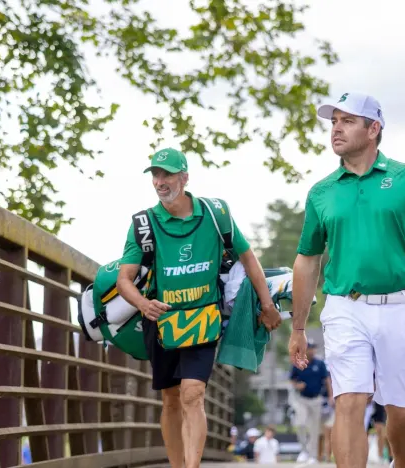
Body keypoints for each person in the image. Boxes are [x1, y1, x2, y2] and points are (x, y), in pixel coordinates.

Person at [288, 92, 405, 468]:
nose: (336, 129)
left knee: (400, 408)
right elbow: (307, 260)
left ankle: (401, 463)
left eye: (347, 121)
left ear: (374, 128)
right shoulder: (321, 192)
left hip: (400, 307)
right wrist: (298, 327)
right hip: (344, 307)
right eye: (333, 122)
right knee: (348, 400)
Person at [116, 147, 282, 468]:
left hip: (204, 318)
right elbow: (125, 278)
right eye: (155, 175)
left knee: (193, 393)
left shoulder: (215, 214)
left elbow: (249, 260)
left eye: (167, 174)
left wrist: (267, 304)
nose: (160, 181)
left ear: (185, 177)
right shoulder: (144, 224)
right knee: (170, 399)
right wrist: (142, 303)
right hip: (162, 321)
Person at [288, 338, 333, 463]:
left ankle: (313, 455)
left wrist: (330, 396)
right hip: (301, 399)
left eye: (313, 348)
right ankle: (304, 451)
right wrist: (297, 385)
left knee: (314, 429)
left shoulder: (320, 364)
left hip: (316, 399)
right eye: (309, 348)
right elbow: (292, 379)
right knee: (300, 424)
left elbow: (327, 380)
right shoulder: (298, 362)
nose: (312, 350)